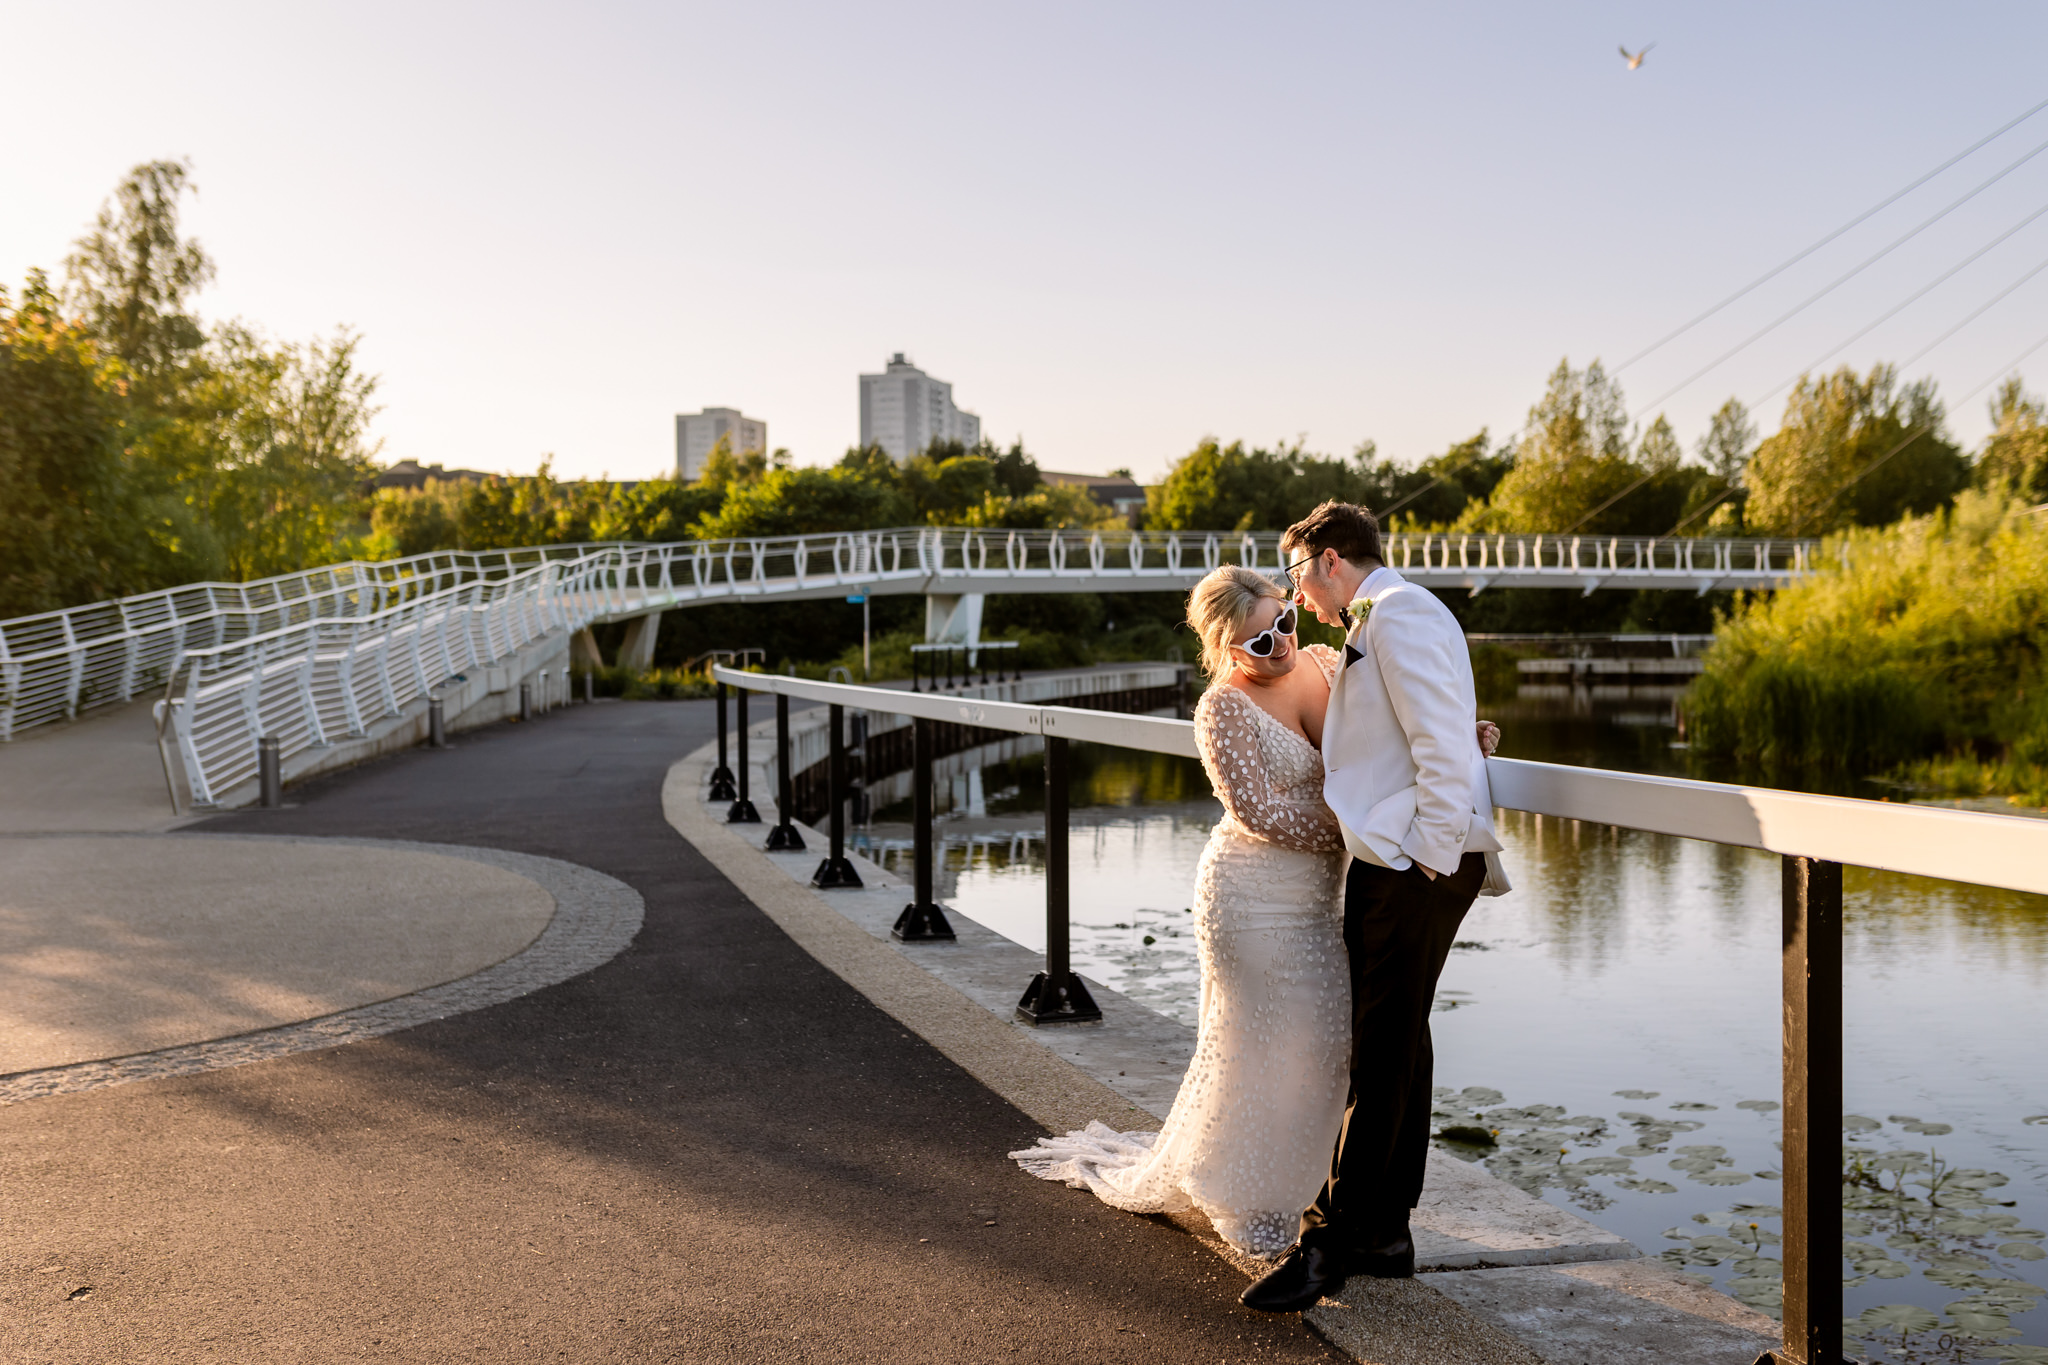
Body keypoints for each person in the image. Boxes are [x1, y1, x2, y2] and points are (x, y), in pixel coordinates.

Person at [1010, 564, 1499, 1260]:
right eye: (1259, 642)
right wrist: (1368, 823)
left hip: (1322, 897)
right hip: (1252, 897)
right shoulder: (1222, 709)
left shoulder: (1331, 662)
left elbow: (1395, 742)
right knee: (1262, 1040)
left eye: (1285, 623)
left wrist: (1455, 744)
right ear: (1226, 651)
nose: (1280, 644)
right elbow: (1261, 813)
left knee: (1329, 1044)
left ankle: (1314, 1189)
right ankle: (1247, 1189)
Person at [1240, 500, 1508, 1313]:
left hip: (1413, 863)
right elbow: (1426, 730)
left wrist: (1425, 861)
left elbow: (1438, 744)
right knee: (1400, 1045)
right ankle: (1387, 1232)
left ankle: (1330, 1241)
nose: (1300, 596)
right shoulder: (1385, 618)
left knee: (1378, 1053)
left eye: (1297, 572)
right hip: (1395, 857)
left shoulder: (1400, 613)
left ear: (1326, 558)